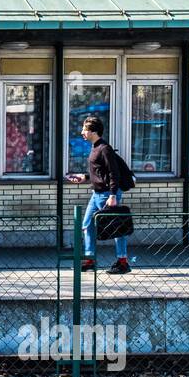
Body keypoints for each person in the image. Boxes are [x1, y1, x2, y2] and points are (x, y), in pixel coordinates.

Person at [65, 115, 130, 274]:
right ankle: (89, 260)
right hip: (97, 194)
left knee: (116, 228)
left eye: (84, 129)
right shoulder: (95, 147)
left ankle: (123, 262)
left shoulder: (104, 148)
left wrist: (113, 195)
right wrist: (84, 177)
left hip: (107, 194)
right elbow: (100, 173)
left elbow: (114, 173)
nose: (82, 132)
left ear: (93, 131)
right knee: (87, 225)